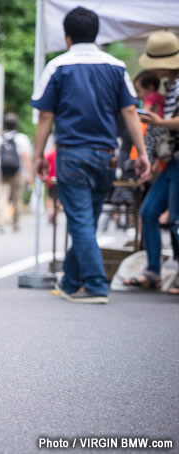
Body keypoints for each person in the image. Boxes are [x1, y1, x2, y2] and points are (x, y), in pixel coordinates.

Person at [32, 6, 150, 304]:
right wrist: (143, 153)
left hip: (72, 154)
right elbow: (130, 113)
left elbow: (45, 116)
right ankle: (71, 282)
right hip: (107, 157)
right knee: (87, 219)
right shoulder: (117, 66)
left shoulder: (58, 66)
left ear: (67, 37)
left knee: (82, 221)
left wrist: (38, 154)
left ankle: (96, 284)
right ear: (97, 34)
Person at [124, 31, 179, 295]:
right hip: (169, 160)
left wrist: (158, 122)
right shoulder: (170, 86)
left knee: (176, 219)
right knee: (148, 212)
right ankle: (154, 271)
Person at [0, 112, 33, 232]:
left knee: (1, 197)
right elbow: (26, 157)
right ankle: (15, 224)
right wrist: (29, 175)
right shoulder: (21, 138)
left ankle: (1, 222)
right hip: (18, 172)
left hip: (2, 172)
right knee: (17, 199)